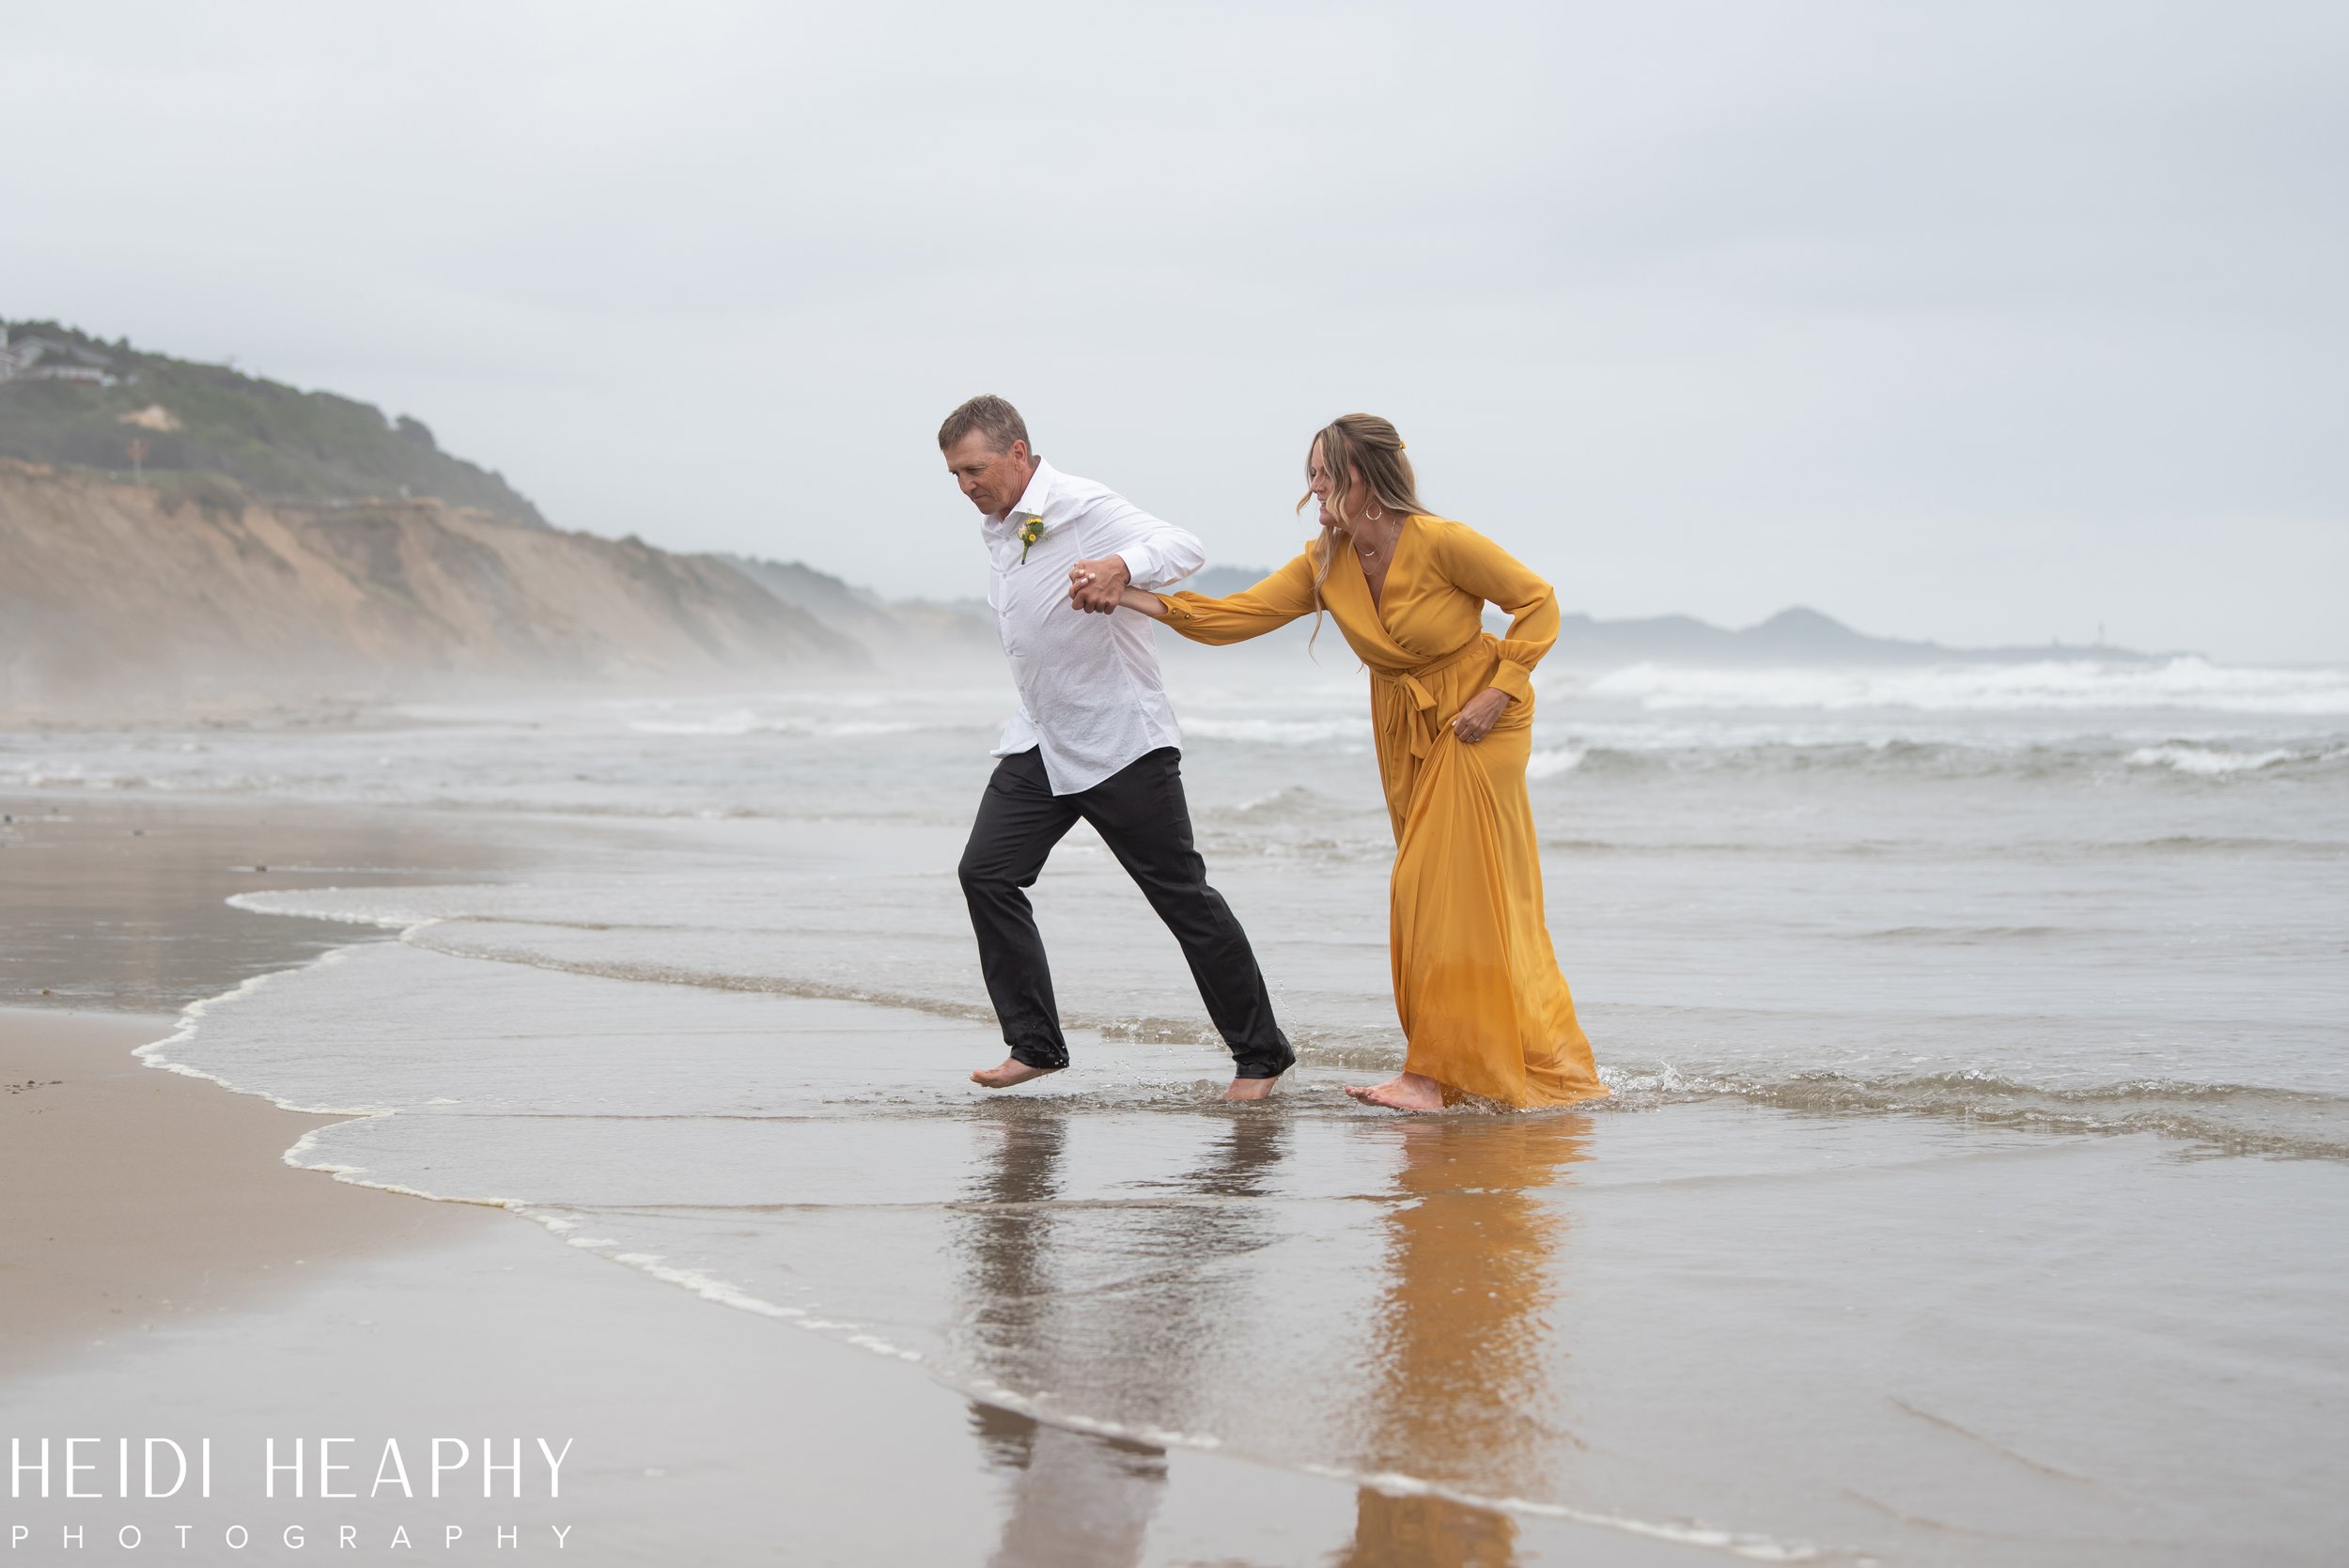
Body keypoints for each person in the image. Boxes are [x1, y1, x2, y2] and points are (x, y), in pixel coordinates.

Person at [1074, 413, 1605, 1111]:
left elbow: (1538, 603)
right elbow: (1234, 616)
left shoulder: (1442, 542)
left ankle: (1429, 1076)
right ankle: (1510, 1064)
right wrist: (1129, 598)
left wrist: (1501, 692)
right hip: (1403, 725)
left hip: (1479, 717)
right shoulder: (1327, 562)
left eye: (1323, 474)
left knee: (1430, 888)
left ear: (1360, 478)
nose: (1314, 489)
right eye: (1312, 476)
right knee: (1463, 896)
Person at [939, 394, 1295, 1101]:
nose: (966, 486)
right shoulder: (1004, 524)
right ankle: (1035, 1043)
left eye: (974, 469)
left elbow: (1183, 546)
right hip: (1042, 737)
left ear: (1017, 453)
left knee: (1182, 898)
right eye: (953, 474)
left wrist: (1122, 567)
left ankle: (1261, 1056)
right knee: (986, 873)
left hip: (1119, 740)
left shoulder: (1079, 503)